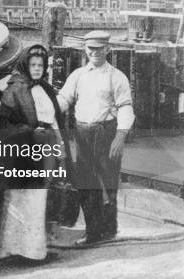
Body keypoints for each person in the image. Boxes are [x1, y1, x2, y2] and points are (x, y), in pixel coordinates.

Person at [0, 44, 71, 260]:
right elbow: (1, 123)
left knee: (40, 197)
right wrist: (28, 131)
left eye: (41, 65)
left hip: (46, 146)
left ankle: (34, 249)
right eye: (33, 64)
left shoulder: (45, 88)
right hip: (23, 149)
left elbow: (54, 119)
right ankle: (13, 247)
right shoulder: (15, 89)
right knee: (20, 198)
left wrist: (60, 149)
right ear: (25, 65)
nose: (37, 68)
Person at [57, 31, 134, 245]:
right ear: (85, 49)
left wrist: (120, 136)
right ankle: (93, 232)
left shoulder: (117, 77)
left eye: (99, 48)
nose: (94, 52)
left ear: (107, 49)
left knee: (108, 182)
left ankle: (108, 230)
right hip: (82, 133)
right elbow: (64, 99)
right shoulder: (78, 75)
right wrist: (45, 111)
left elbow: (126, 107)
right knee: (85, 182)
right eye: (91, 48)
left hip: (106, 133)